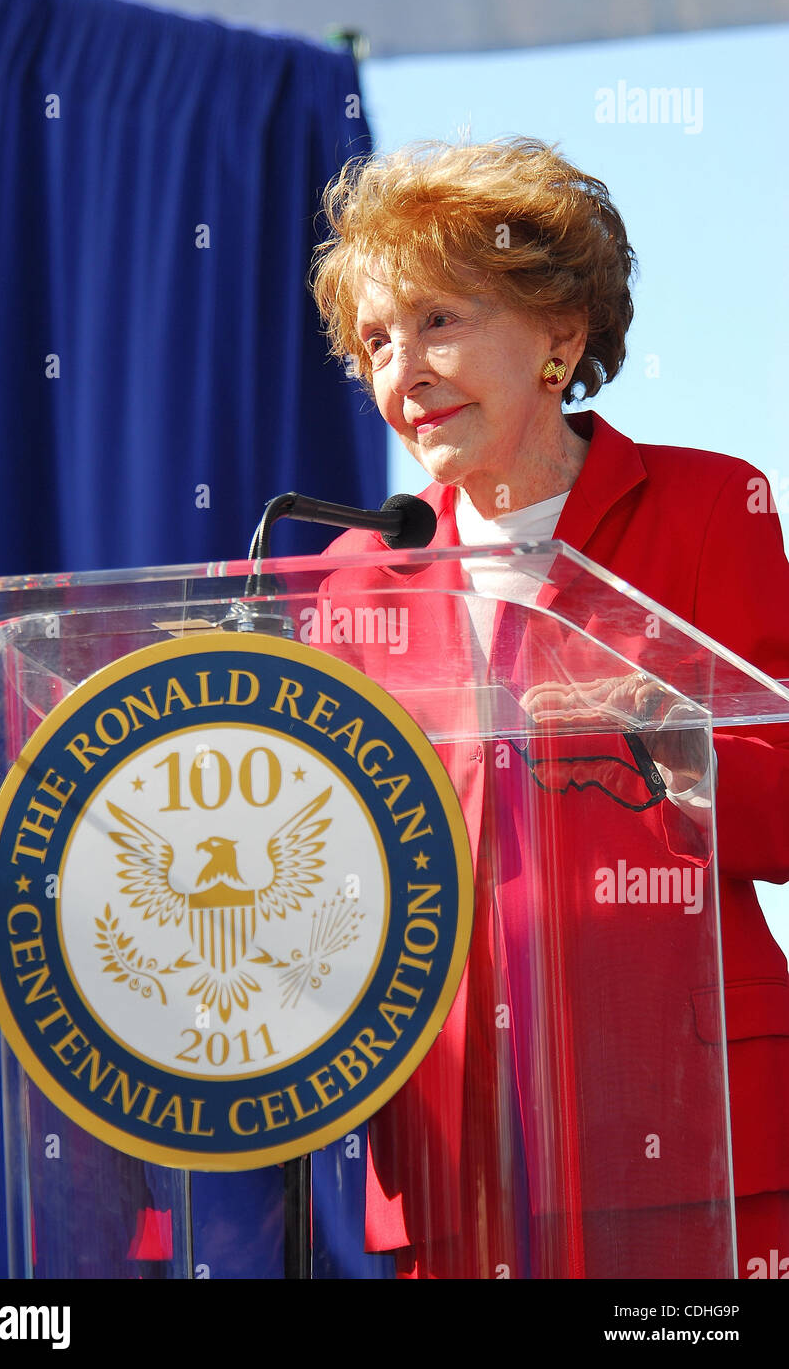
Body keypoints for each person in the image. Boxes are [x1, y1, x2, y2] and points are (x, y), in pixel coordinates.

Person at [308, 137, 789, 1278]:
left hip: (692, 1133)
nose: (403, 369)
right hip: (450, 1153)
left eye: (438, 322)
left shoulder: (716, 505)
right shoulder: (351, 575)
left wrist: (682, 746)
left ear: (559, 338)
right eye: (375, 340)